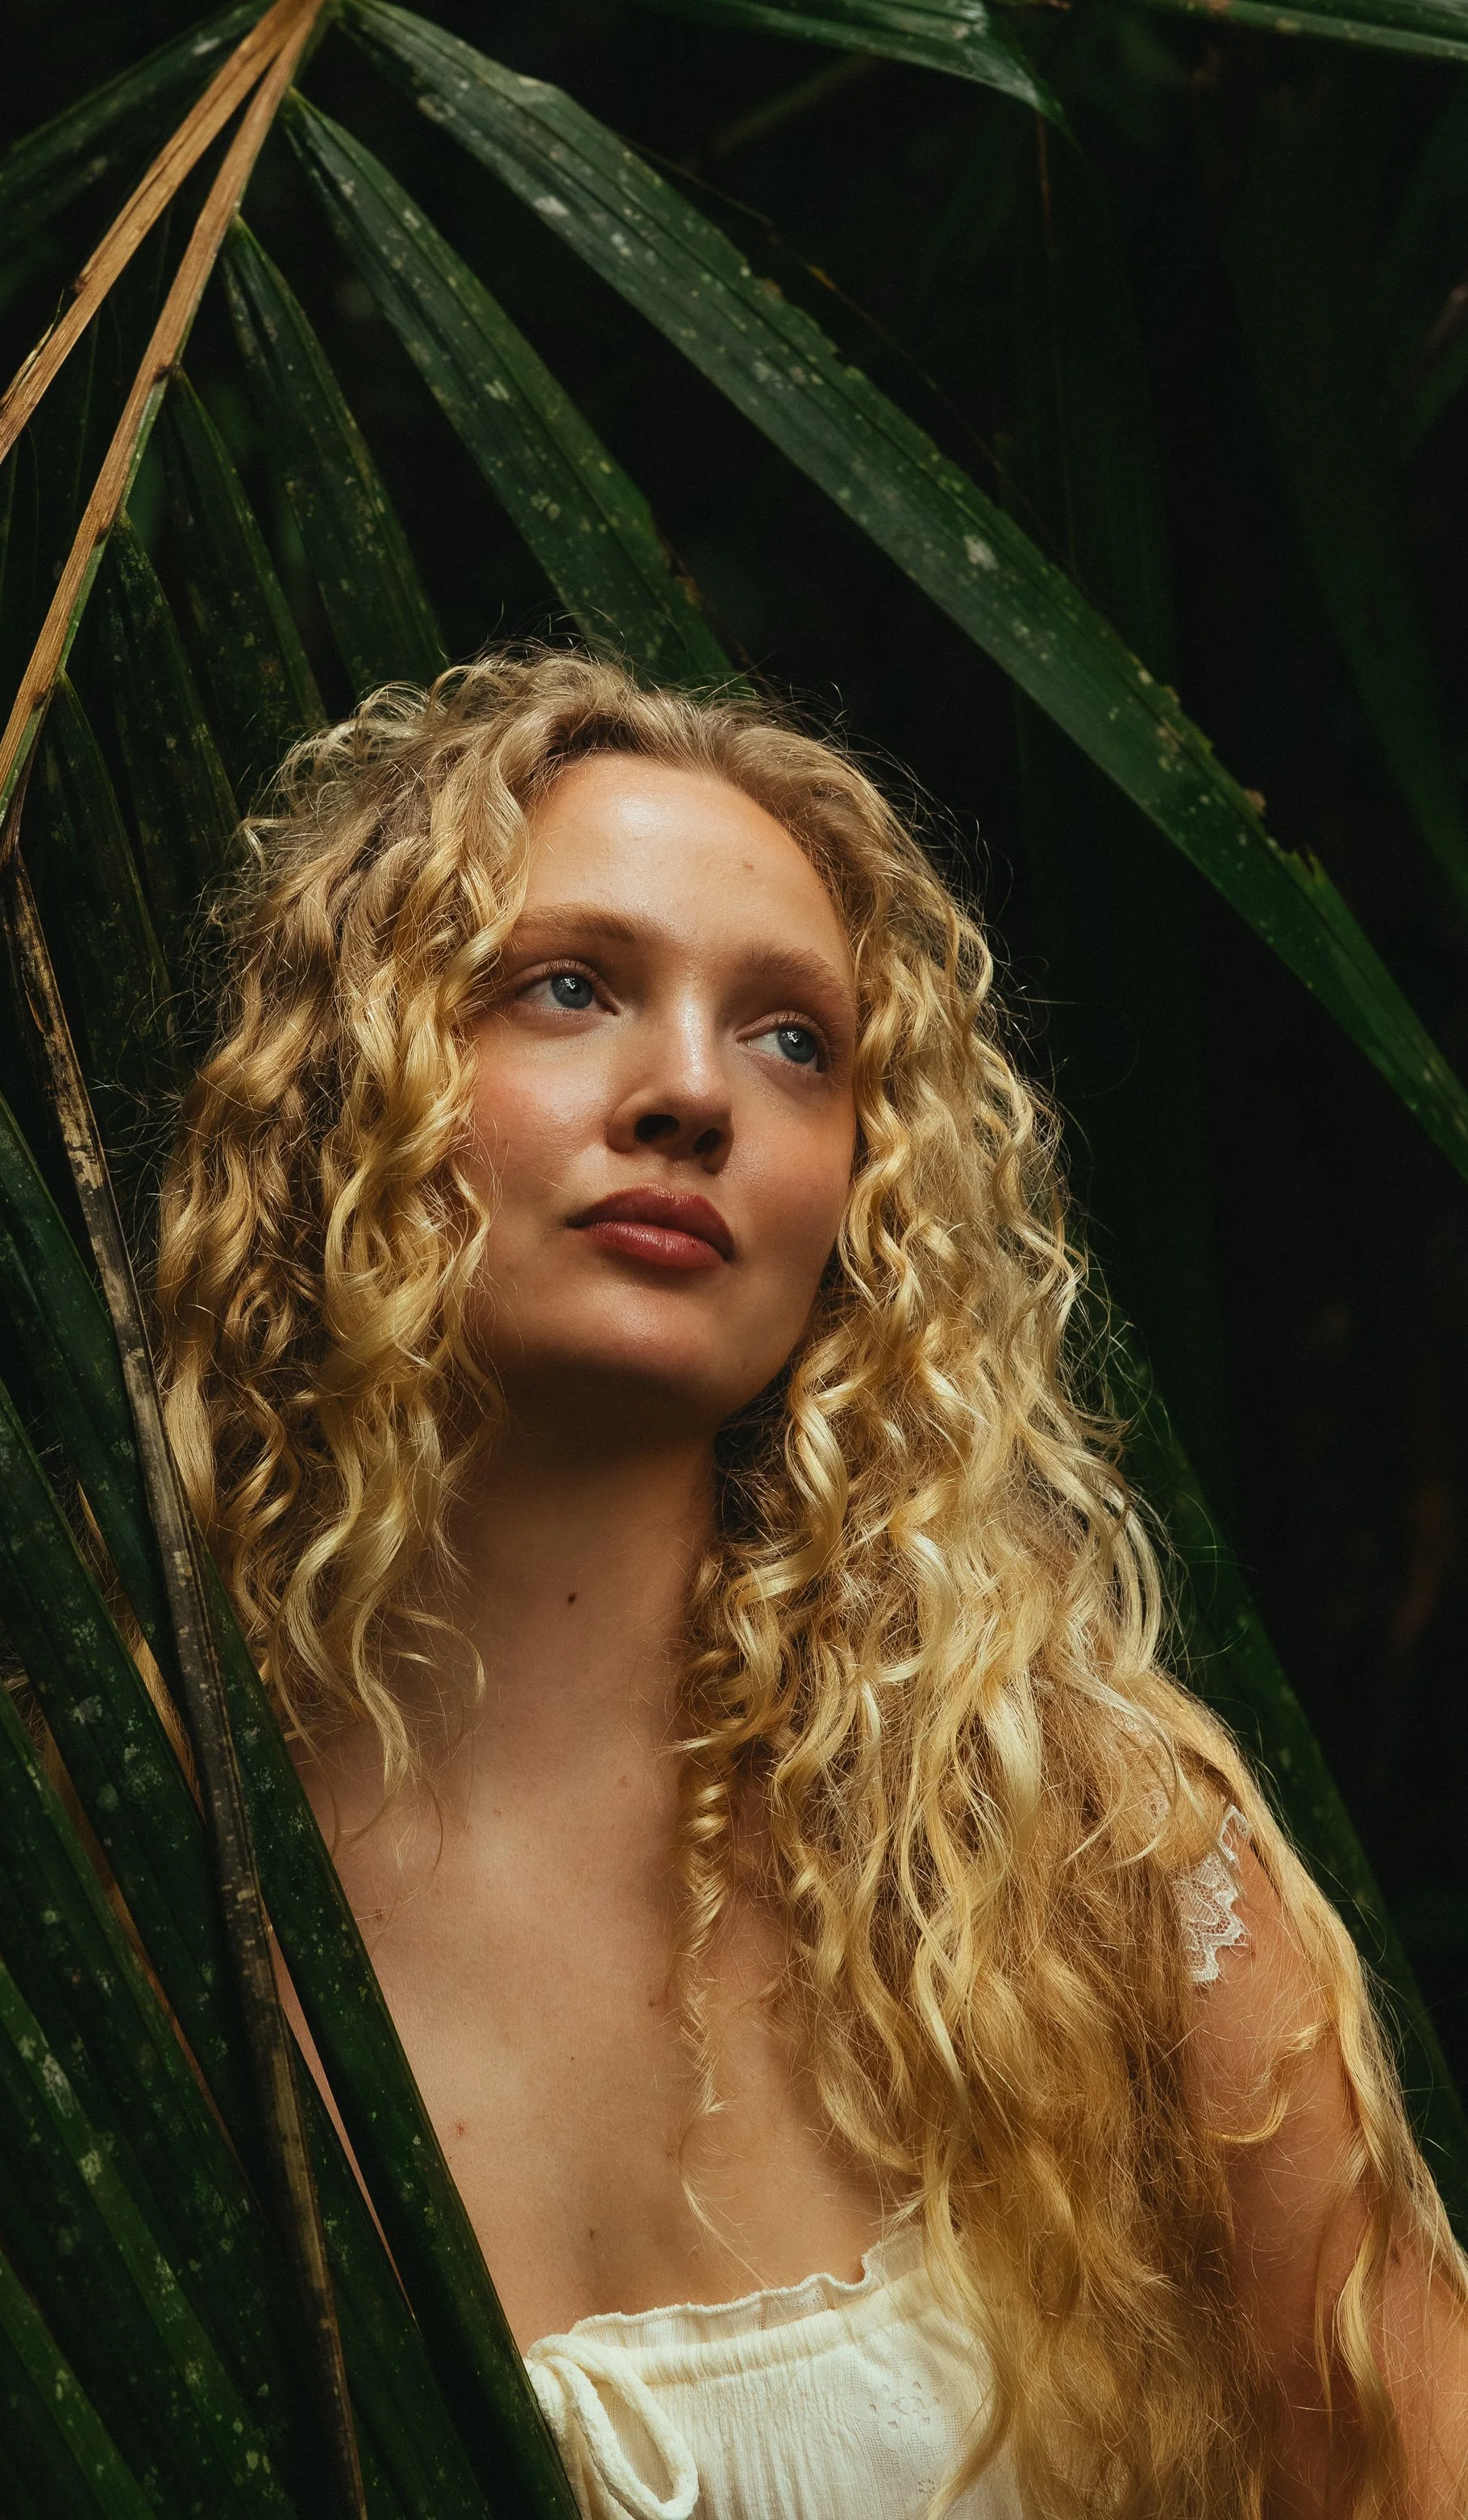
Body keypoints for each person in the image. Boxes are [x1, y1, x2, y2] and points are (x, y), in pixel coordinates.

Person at [156, 650, 1468, 2518]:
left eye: (791, 1040)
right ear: (342, 1084)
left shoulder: (1072, 1853)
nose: (691, 1091)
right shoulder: (132, 1854)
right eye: (566, 985)